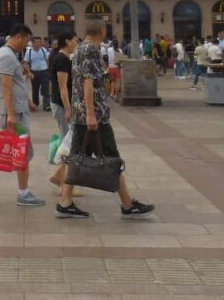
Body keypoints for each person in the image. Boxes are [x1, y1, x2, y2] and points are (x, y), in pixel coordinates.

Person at [55, 19, 155, 219]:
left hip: (82, 114)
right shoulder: (91, 50)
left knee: (76, 157)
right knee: (111, 157)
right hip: (94, 117)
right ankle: (127, 204)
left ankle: (65, 202)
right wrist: (92, 114)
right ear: (101, 31)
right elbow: (88, 84)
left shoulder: (79, 49)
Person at [0, 23, 46, 208]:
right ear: (19, 37)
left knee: (15, 150)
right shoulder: (6, 56)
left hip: (17, 110)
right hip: (14, 114)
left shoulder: (9, 55)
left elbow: (16, 84)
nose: (26, 45)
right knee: (22, 151)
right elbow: (7, 86)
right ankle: (23, 193)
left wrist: (27, 101)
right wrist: (12, 115)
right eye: (26, 40)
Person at [49, 32, 77, 140]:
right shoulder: (61, 59)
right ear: (67, 41)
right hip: (61, 105)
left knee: (68, 137)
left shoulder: (66, 58)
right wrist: (68, 109)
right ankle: (60, 157)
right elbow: (62, 86)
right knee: (67, 138)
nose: (76, 43)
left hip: (64, 104)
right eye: (74, 40)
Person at [26, 36, 51, 111]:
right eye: (37, 42)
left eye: (40, 42)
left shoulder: (43, 50)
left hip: (44, 72)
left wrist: (48, 70)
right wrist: (29, 72)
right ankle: (35, 104)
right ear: (32, 43)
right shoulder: (29, 52)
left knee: (45, 89)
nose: (39, 43)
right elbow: (25, 63)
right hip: (34, 72)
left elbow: (47, 60)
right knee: (35, 89)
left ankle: (46, 105)